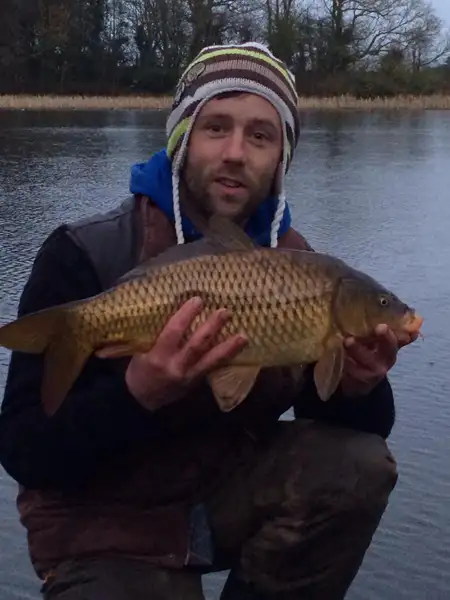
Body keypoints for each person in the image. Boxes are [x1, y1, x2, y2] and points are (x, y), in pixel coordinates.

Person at [0, 42, 416, 600]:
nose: (236, 153)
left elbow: (349, 428)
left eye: (261, 136)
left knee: (359, 465)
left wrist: (358, 385)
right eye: (216, 127)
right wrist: (137, 393)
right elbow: (26, 450)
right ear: (182, 140)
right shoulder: (84, 253)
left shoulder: (297, 264)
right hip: (104, 526)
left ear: (281, 160)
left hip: (222, 497)